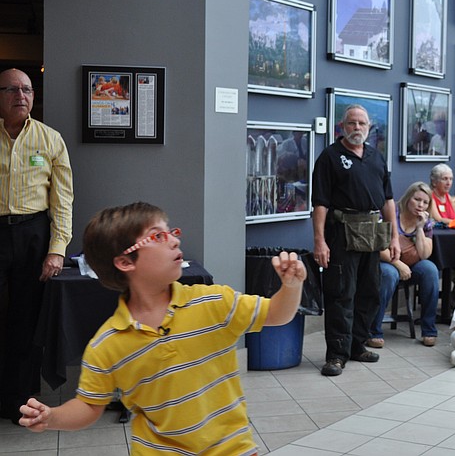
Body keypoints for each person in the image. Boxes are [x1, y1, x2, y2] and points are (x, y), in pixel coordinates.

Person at [18, 202, 306, 454]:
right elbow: (89, 406)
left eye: (171, 232)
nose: (174, 241)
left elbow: (276, 314)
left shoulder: (214, 301)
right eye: (158, 236)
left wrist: (291, 287)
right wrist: (52, 417)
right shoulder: (108, 343)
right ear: (124, 262)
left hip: (232, 450)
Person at [0, 68, 73, 424]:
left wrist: (57, 248)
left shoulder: (50, 140)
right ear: (0, 96)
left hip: (33, 233)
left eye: (27, 89)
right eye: (12, 89)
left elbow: (63, 200)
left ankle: (18, 403)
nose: (21, 95)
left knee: (25, 322)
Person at [312, 104, 400, 377]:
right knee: (341, 294)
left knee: (369, 292)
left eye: (362, 123)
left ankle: (357, 345)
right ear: (342, 126)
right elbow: (320, 204)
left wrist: (394, 236)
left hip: (371, 233)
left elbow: (387, 200)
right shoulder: (330, 157)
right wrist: (319, 241)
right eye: (352, 123)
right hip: (341, 234)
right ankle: (336, 355)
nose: (357, 128)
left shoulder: (376, 157)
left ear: (369, 128)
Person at [368, 182, 440, 348]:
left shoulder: (426, 221)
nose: (421, 205)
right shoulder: (392, 213)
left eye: (425, 202)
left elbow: (424, 254)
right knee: (389, 274)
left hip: (413, 264)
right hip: (387, 260)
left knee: (430, 270)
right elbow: (378, 247)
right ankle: (373, 331)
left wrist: (421, 228)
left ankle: (429, 330)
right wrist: (398, 264)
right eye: (417, 200)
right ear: (408, 198)